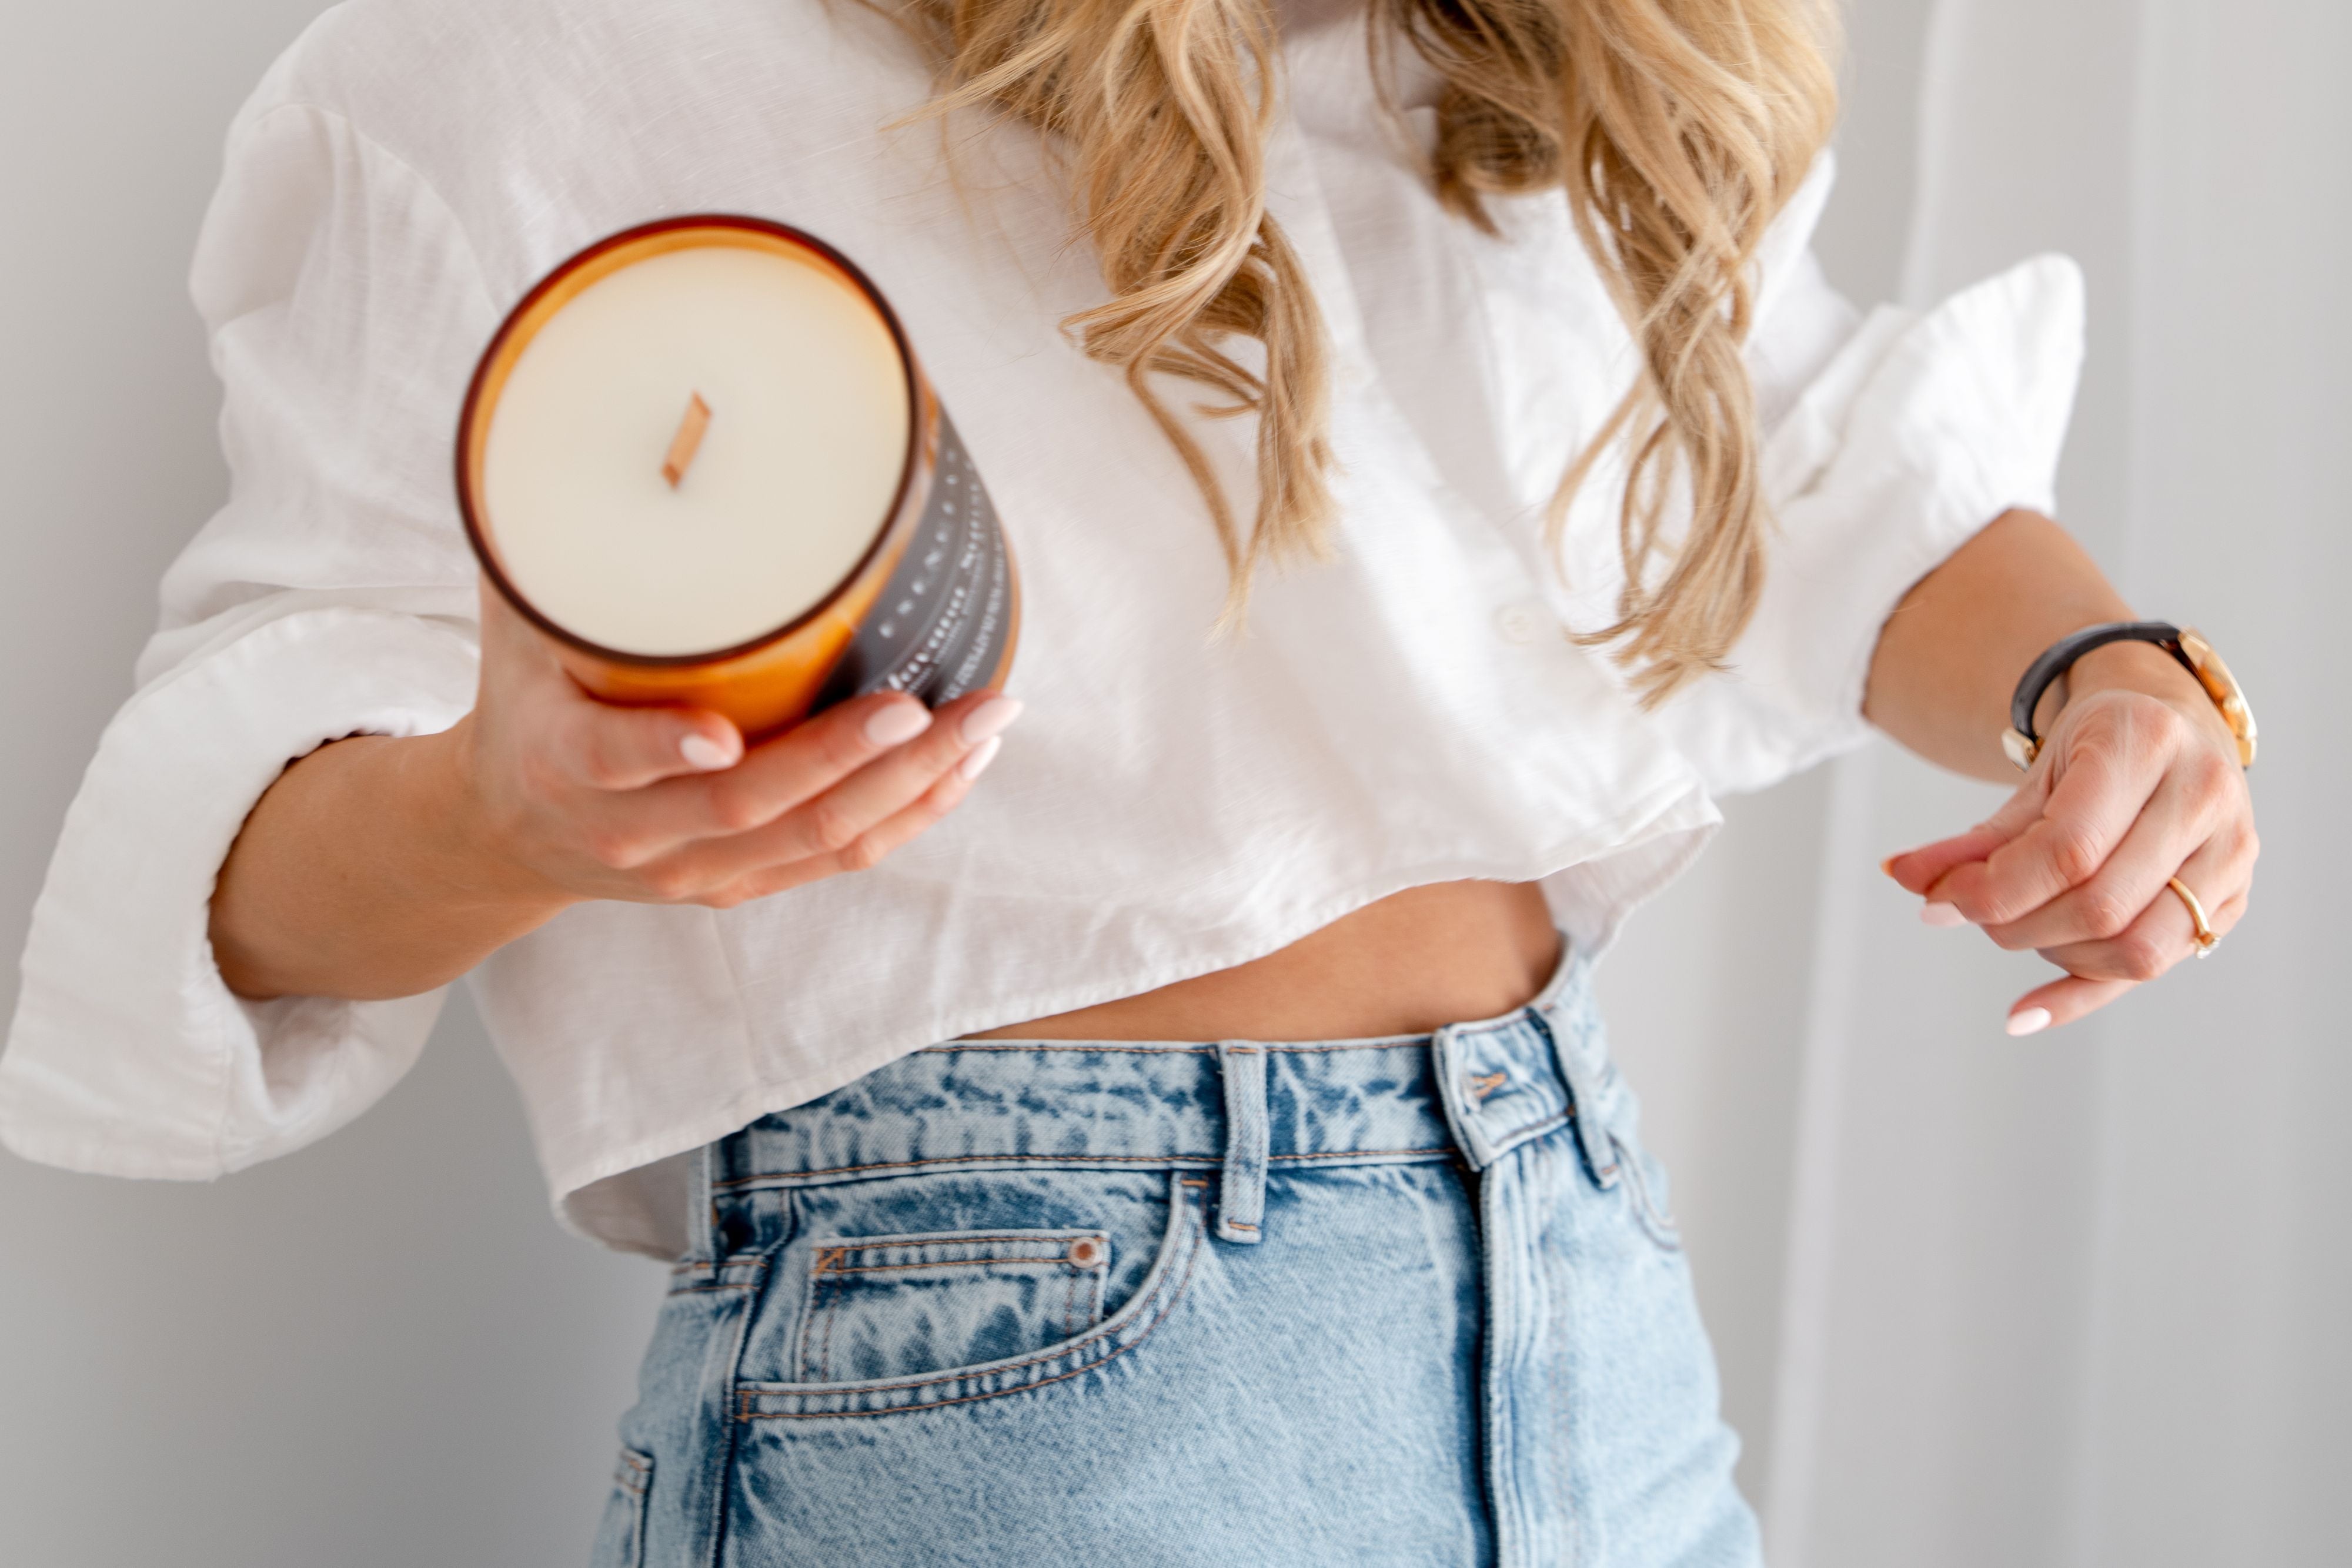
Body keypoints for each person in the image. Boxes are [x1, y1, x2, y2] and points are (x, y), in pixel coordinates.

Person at [0, 0, 2260, 1562]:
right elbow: (230, 834)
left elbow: (1822, 449)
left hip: (1577, 1287)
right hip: (1018, 1352)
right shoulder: (555, 62)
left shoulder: (1524, 50)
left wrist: (2109, 681)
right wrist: (503, 816)